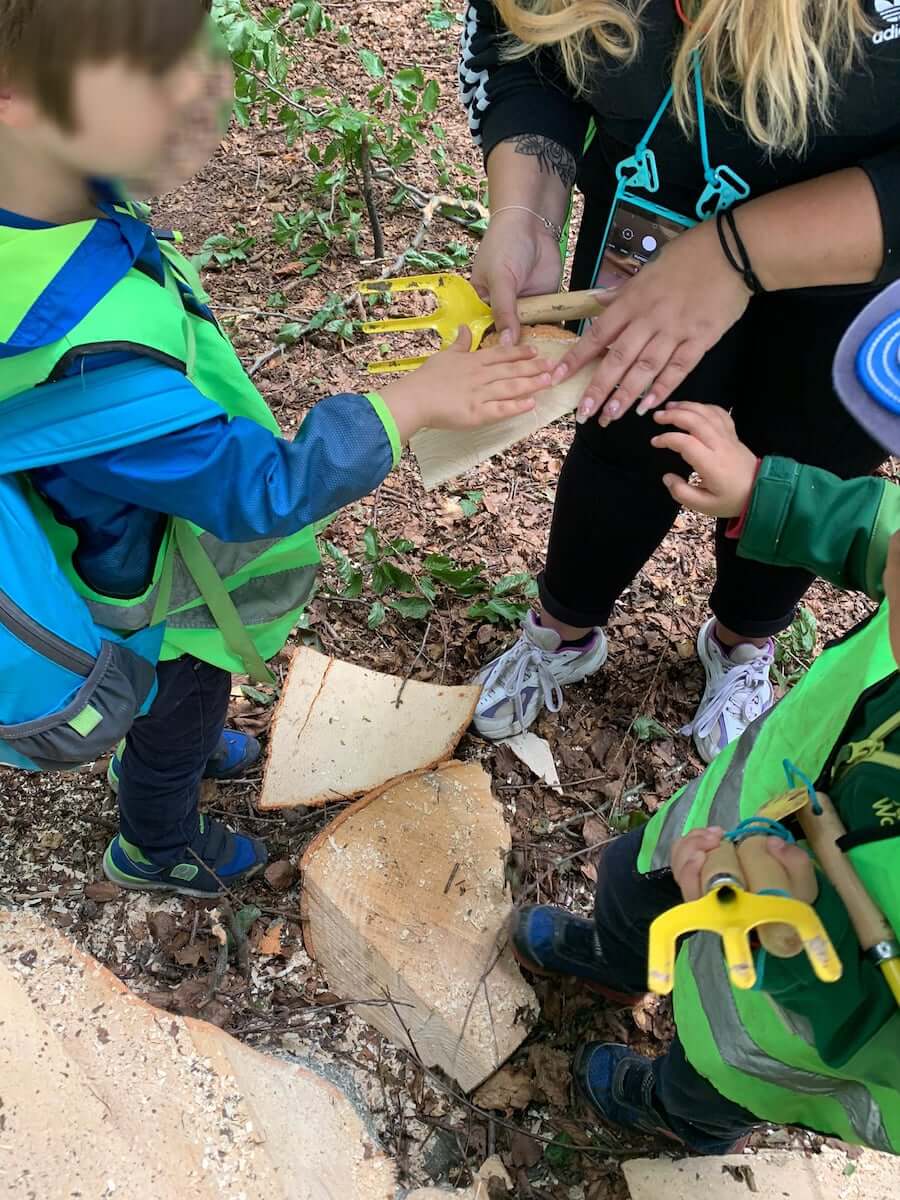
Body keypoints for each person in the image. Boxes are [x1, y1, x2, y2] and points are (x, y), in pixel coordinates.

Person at [0, 0, 554, 896]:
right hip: (149, 592)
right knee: (179, 699)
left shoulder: (36, 202)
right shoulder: (92, 361)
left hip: (89, 522)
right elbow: (259, 489)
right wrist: (407, 405)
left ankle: (161, 745)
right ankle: (154, 842)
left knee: (175, 702)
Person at [508, 280, 900, 1155]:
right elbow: (880, 529)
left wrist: (796, 940)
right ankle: (617, 957)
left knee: (716, 1067)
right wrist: (768, 492)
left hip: (786, 1019)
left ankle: (670, 1108)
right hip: (760, 789)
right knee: (632, 873)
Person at [461, 0, 900, 760]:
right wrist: (526, 207)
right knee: (625, 427)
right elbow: (520, 57)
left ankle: (743, 640)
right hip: (649, 219)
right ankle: (565, 626)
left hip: (863, 273)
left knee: (806, 463)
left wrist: (734, 255)